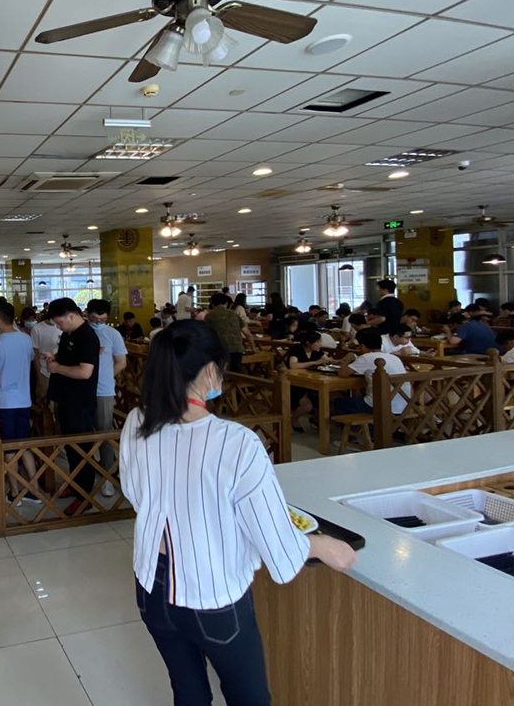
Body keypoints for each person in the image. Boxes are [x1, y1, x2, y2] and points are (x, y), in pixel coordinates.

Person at [119, 320, 356, 706]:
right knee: (250, 698)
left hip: (151, 586)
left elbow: (136, 493)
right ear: (210, 371)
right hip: (210, 593)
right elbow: (275, 540)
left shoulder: (137, 421)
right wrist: (322, 545)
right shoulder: (237, 442)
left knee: (188, 690)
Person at [44, 298, 100, 512]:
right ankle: (75, 484)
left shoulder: (87, 337)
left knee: (81, 447)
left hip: (80, 401)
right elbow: (69, 358)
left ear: (71, 316)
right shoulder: (70, 334)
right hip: (67, 398)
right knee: (70, 446)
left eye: (60, 323)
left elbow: (85, 372)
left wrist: (57, 369)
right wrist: (55, 358)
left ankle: (84, 495)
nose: (59, 327)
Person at [0, 299, 35, 499]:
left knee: (8, 447)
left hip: (3, 402)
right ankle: (34, 490)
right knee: (23, 444)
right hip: (24, 400)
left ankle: (14, 492)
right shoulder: (26, 339)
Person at [86, 299, 128, 497]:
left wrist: (106, 377)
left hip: (104, 391)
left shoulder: (113, 334)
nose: (98, 323)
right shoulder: (80, 332)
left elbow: (121, 362)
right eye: (94, 319)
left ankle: (107, 478)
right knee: (82, 433)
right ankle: (84, 476)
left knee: (105, 434)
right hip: (81, 391)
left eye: (102, 320)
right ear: (87, 314)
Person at [336, 329, 410, 418]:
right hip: (403, 406)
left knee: (337, 403)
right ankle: (365, 426)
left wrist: (348, 358)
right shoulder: (394, 358)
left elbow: (342, 373)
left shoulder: (366, 357)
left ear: (362, 346)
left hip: (379, 407)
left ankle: (362, 426)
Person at [285, 330, 327, 431]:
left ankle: (317, 419)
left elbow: (327, 359)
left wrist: (341, 361)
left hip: (312, 382)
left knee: (327, 398)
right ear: (308, 343)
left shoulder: (316, 351)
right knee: (307, 405)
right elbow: (293, 365)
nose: (320, 344)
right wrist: (314, 362)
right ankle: (294, 419)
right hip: (294, 383)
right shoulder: (297, 349)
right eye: (317, 342)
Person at [205, 292, 251, 372]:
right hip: (237, 348)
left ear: (212, 304)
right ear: (226, 303)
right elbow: (247, 333)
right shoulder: (234, 314)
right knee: (236, 373)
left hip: (220, 348)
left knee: (219, 373)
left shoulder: (209, 316)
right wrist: (253, 347)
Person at [29, 311, 62, 407]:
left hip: (61, 370)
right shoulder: (37, 328)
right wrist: (39, 373)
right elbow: (35, 353)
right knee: (44, 399)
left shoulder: (65, 327)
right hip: (44, 371)